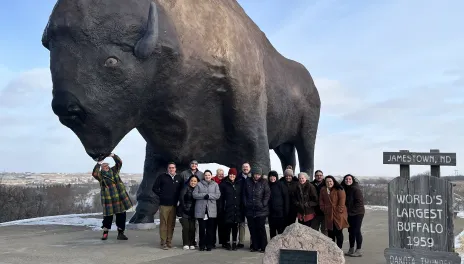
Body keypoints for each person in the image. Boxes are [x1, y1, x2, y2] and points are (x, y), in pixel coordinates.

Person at [92, 153, 132, 241]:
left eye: (106, 165)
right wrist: (98, 163)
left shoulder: (114, 170)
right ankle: (105, 233)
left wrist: (113, 155)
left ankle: (121, 233)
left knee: (121, 216)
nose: (105, 167)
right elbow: (94, 173)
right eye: (103, 166)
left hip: (119, 197)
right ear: (101, 168)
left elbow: (119, 163)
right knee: (107, 217)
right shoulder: (101, 176)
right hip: (108, 199)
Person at [152, 162, 184, 250]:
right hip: (164, 204)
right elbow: (154, 188)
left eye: (173, 168)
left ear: (175, 169)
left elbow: (182, 190)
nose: (171, 169)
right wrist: (162, 195)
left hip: (174, 205)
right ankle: (163, 242)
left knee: (171, 224)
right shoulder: (162, 177)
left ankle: (169, 241)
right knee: (163, 224)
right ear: (167, 169)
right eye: (170, 168)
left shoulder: (179, 178)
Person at [243, 167, 270, 253]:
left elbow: (267, 194)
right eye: (256, 174)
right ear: (253, 174)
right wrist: (246, 204)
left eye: (259, 174)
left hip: (261, 210)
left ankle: (263, 246)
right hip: (250, 210)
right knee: (252, 229)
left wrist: (263, 204)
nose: (257, 176)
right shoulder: (248, 181)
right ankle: (255, 246)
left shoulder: (264, 182)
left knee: (261, 229)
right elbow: (244, 194)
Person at [193, 170, 221, 251]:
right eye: (206, 175)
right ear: (204, 176)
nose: (207, 176)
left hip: (211, 210)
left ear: (211, 176)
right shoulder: (199, 184)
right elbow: (194, 194)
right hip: (201, 210)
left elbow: (218, 195)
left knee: (210, 229)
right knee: (202, 228)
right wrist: (204, 195)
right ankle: (202, 244)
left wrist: (209, 196)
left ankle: (209, 244)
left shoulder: (215, 184)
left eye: (209, 175)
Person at [319, 175, 349, 249]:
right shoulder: (323, 189)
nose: (329, 183)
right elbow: (321, 201)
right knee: (330, 232)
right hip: (328, 213)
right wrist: (323, 209)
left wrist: (338, 211)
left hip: (338, 214)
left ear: (333, 181)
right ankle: (332, 249)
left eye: (330, 181)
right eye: (327, 182)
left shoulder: (339, 189)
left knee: (338, 232)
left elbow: (342, 203)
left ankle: (339, 249)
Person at [219, 168, 244, 250]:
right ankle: (227, 242)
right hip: (227, 208)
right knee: (227, 227)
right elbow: (221, 198)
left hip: (237, 208)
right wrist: (221, 208)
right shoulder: (223, 184)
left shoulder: (239, 184)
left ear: (235, 175)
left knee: (235, 227)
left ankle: (234, 242)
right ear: (228, 174)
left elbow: (241, 196)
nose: (232, 176)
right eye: (230, 174)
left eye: (233, 174)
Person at [341, 174, 365, 257]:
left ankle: (358, 250)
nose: (348, 180)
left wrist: (350, 211)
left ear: (353, 180)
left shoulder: (355, 189)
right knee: (350, 231)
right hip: (349, 213)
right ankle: (351, 249)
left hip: (358, 213)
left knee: (357, 231)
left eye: (349, 179)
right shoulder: (344, 188)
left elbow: (359, 203)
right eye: (346, 179)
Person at [177, 175, 200, 250]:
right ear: (189, 181)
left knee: (192, 228)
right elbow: (182, 198)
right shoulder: (185, 188)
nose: (193, 182)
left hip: (193, 211)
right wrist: (185, 208)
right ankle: (186, 243)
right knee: (186, 227)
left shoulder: (198, 189)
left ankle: (192, 243)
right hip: (185, 211)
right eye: (192, 181)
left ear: (197, 182)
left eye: (195, 181)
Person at [267, 170, 289, 238]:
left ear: (276, 177)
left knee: (280, 230)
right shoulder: (267, 185)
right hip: (271, 213)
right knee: (272, 230)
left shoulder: (281, 185)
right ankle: (272, 245)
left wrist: (286, 211)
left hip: (280, 213)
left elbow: (286, 199)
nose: (272, 178)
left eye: (274, 176)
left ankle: (280, 246)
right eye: (271, 176)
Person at [237, 162, 252, 248]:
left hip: (250, 204)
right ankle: (241, 242)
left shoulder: (252, 177)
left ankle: (252, 242)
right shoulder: (238, 178)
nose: (245, 168)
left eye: (247, 167)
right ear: (242, 168)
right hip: (241, 204)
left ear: (249, 168)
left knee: (251, 224)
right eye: (244, 167)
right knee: (241, 223)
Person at [213, 168, 227, 248]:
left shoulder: (225, 181)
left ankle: (223, 242)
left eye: (222, 174)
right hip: (214, 205)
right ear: (216, 173)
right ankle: (213, 242)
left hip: (222, 205)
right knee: (213, 226)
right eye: (219, 174)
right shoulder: (213, 180)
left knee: (222, 226)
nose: (221, 175)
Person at [310, 170, 327, 235]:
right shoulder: (311, 184)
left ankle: (326, 245)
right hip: (314, 211)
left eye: (320, 175)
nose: (319, 177)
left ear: (322, 176)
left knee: (325, 231)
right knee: (314, 230)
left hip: (324, 212)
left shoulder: (326, 184)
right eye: (317, 175)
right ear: (315, 176)